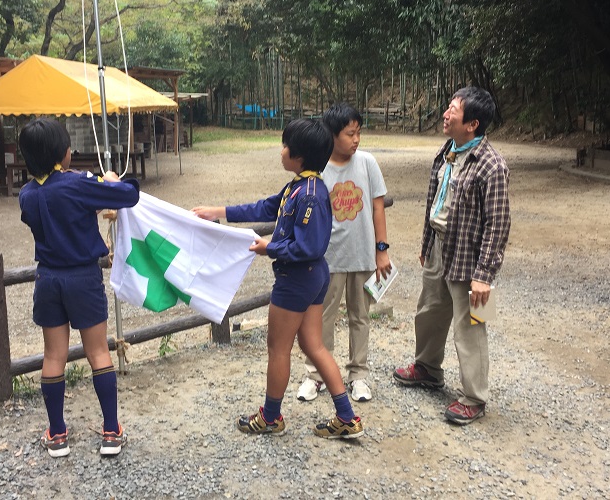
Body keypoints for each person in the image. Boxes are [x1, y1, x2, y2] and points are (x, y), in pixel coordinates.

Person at [193, 119, 364, 439]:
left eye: (285, 146)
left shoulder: (310, 195)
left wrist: (269, 248)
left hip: (297, 279)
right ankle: (346, 417)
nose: (281, 150)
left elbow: (308, 247)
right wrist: (218, 211)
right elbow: (265, 207)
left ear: (299, 155)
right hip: (311, 277)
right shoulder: (300, 186)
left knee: (278, 348)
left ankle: (270, 418)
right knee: (313, 345)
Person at [18, 118, 141, 457]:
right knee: (98, 352)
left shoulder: (26, 195)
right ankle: (111, 431)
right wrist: (111, 181)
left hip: (47, 280)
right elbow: (129, 194)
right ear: (64, 154)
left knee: (53, 356)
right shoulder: (79, 183)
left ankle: (57, 434)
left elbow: (54, 207)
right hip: (83, 278)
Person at [393, 86, 510, 425]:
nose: (445, 115)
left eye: (453, 111)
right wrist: (426, 243)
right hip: (440, 246)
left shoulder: (492, 165)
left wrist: (485, 275)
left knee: (473, 325)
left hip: (472, 259)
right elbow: (436, 200)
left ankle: (475, 397)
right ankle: (427, 368)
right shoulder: (448, 150)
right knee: (429, 310)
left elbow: (499, 224)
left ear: (472, 124)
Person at [297, 103, 391, 403]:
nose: (356, 139)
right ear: (332, 135)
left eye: (358, 132)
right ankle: (316, 375)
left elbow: (378, 207)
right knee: (321, 317)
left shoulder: (367, 163)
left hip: (363, 255)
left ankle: (358, 375)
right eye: (350, 134)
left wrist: (381, 250)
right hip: (328, 258)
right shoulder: (319, 167)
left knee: (360, 316)